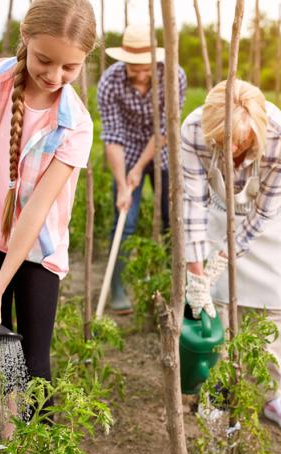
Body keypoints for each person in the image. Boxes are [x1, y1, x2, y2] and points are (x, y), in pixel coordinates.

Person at [0, 0, 96, 411]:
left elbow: (36, 211)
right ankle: (1, 445)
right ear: (26, 39)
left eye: (70, 68)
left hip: (35, 250)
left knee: (34, 363)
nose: (54, 76)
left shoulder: (75, 124)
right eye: (45, 61)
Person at [182, 80, 281, 434]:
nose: (230, 149)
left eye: (239, 143)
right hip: (220, 205)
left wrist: (229, 253)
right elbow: (191, 204)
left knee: (277, 301)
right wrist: (198, 272)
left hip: (274, 217)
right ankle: (218, 387)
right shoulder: (193, 131)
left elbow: (261, 217)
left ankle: (276, 394)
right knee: (215, 300)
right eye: (221, 142)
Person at [97, 24, 187, 314]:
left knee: (170, 220)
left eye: (145, 67)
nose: (139, 73)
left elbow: (164, 130)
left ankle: (169, 282)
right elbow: (112, 137)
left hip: (162, 152)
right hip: (126, 153)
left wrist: (138, 168)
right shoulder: (109, 83)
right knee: (126, 220)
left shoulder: (174, 76)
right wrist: (124, 182)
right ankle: (118, 285)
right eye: (133, 67)